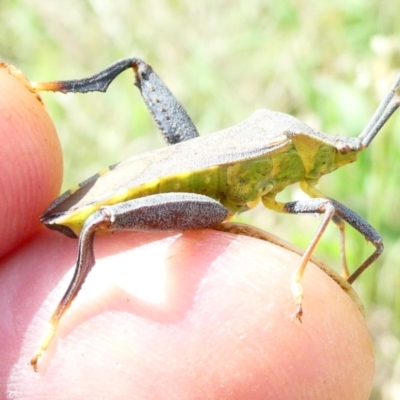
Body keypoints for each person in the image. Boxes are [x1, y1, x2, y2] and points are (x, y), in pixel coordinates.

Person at [0, 65, 373, 399]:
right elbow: (328, 211)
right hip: (199, 195)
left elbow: (347, 226)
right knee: (100, 219)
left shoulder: (295, 150)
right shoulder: (286, 146)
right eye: (338, 153)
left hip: (207, 196)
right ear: (322, 151)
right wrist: (297, 278)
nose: (338, 160)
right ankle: (55, 321)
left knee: (343, 220)